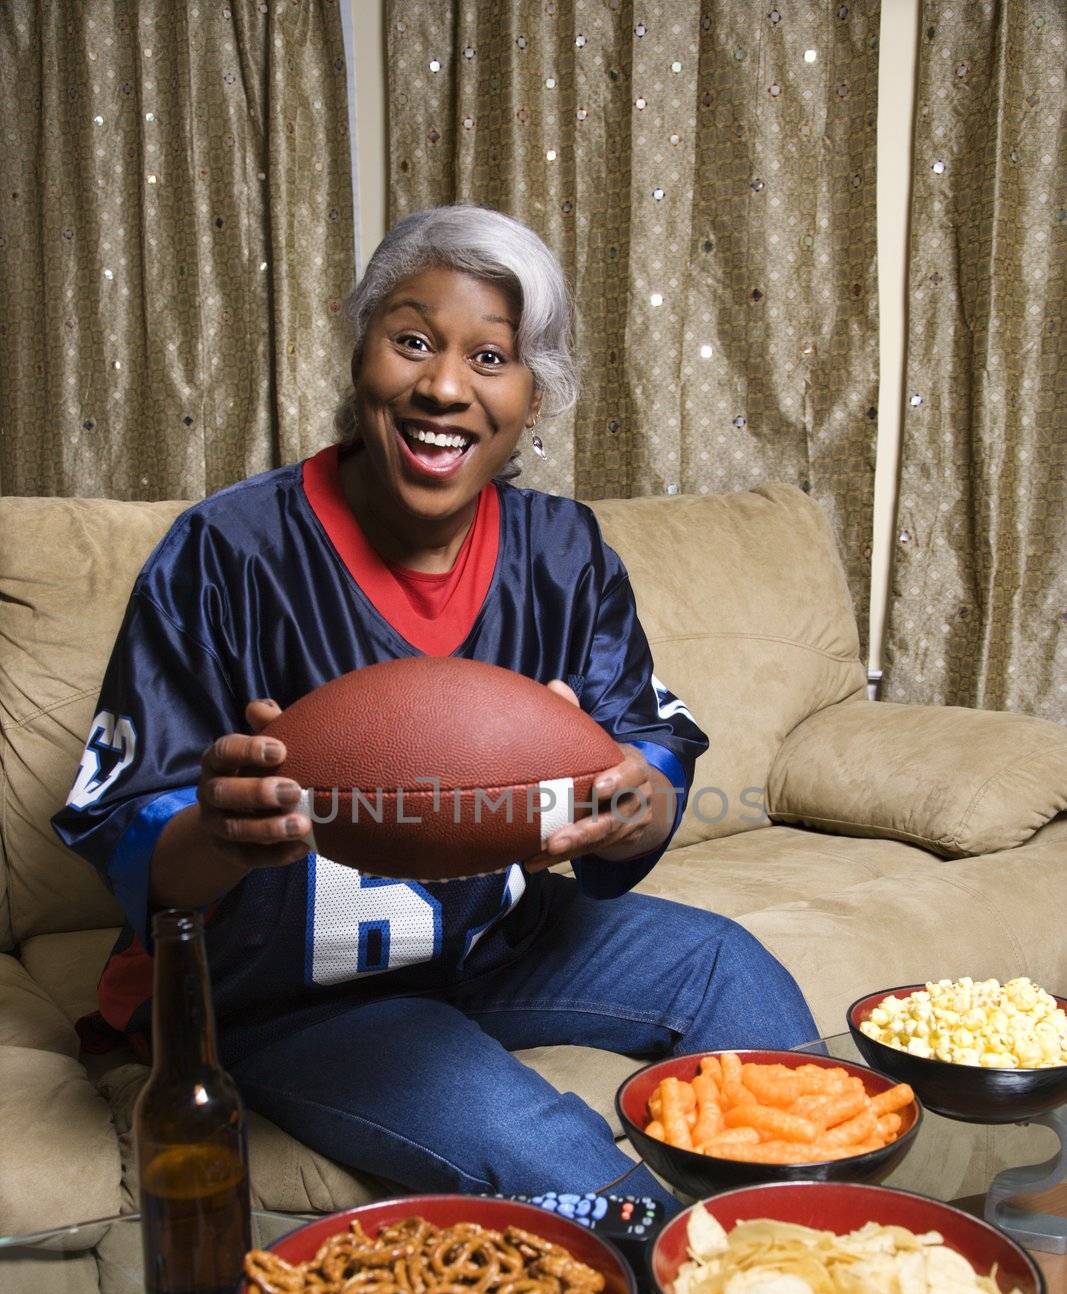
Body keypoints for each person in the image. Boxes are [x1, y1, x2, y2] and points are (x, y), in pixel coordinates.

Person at [53, 205, 817, 1208]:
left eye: (489, 357)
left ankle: (804, 1270)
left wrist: (635, 804)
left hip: (496, 943)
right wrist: (219, 829)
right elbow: (131, 838)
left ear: (532, 397)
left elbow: (648, 749)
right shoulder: (225, 555)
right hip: (283, 996)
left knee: (728, 969)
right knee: (553, 1154)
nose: (443, 386)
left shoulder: (562, 553)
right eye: (410, 340)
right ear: (359, 351)